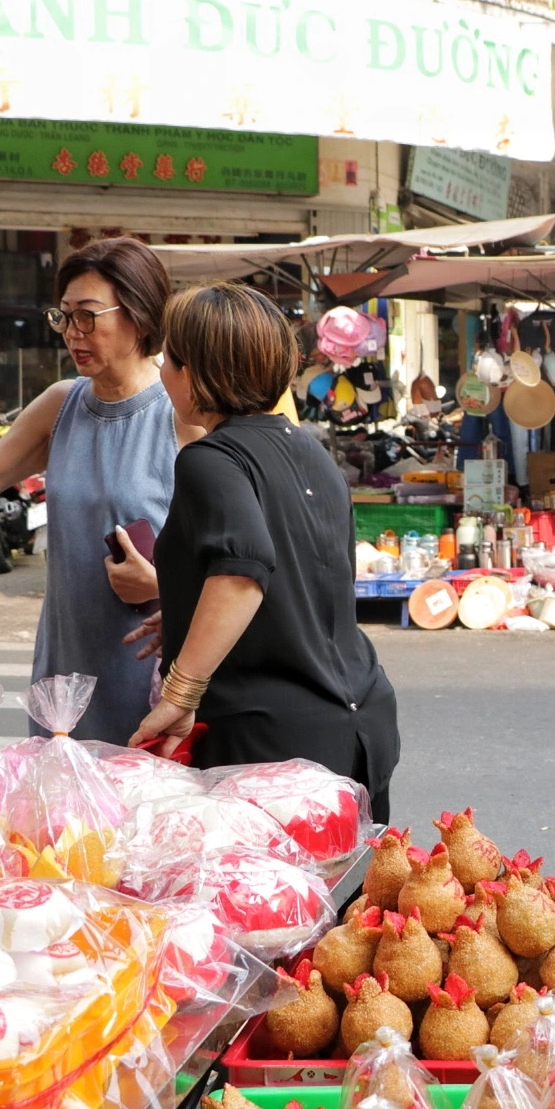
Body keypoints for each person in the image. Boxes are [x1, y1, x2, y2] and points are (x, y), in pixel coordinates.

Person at [127, 283, 399, 821]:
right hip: (359, 723)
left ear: (195, 373)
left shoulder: (209, 459)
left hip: (268, 744)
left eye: (169, 360)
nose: (161, 372)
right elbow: (307, 580)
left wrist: (179, 694)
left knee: (269, 902)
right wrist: (185, 609)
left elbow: (241, 572)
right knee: (346, 897)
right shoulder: (312, 451)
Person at [0, 238, 190, 744]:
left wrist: (162, 586)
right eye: (64, 316)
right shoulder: (61, 404)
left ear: (140, 315)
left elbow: (239, 567)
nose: (72, 333)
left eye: (88, 316)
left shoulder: (184, 415)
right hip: (65, 676)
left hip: (154, 676)